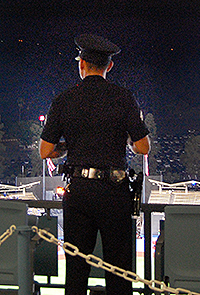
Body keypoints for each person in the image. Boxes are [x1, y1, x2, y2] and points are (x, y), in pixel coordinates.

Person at [39, 34, 150, 295]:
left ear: (82, 65)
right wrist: (127, 143)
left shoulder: (64, 99)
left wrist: (68, 148)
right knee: (119, 270)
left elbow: (45, 151)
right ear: (109, 66)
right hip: (114, 191)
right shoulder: (124, 97)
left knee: (77, 269)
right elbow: (143, 147)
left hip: (78, 191)